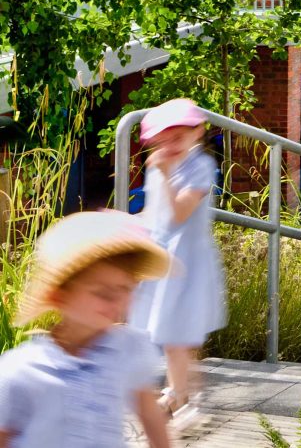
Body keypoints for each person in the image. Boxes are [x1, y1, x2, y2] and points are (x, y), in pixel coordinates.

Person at [0, 211, 173, 448]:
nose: (118, 303)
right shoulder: (22, 371)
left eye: (126, 290)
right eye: (103, 294)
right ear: (59, 297)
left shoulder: (127, 350)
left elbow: (149, 412)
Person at [130, 97, 224, 429]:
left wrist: (166, 174)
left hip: (187, 261)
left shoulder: (199, 166)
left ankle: (177, 398)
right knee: (176, 336)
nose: (170, 144)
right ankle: (185, 397)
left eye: (178, 136)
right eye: (164, 138)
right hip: (163, 256)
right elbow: (156, 212)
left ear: (197, 132)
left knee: (175, 335)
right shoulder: (161, 167)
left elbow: (179, 213)